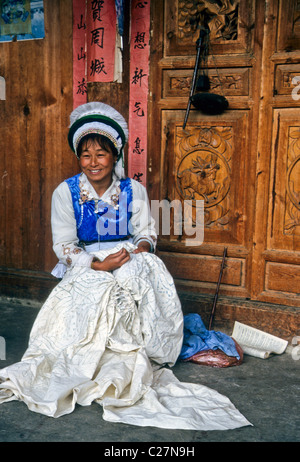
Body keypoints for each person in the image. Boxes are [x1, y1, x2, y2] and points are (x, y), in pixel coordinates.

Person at [0, 102, 251, 430]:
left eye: (101, 155)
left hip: (127, 252)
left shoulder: (133, 190)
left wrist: (138, 251)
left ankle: (145, 348)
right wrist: (97, 264)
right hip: (87, 260)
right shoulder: (66, 193)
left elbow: (146, 231)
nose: (93, 163)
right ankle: (95, 358)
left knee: (137, 276)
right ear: (79, 157)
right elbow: (63, 245)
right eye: (86, 155)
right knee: (97, 289)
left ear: (115, 156)